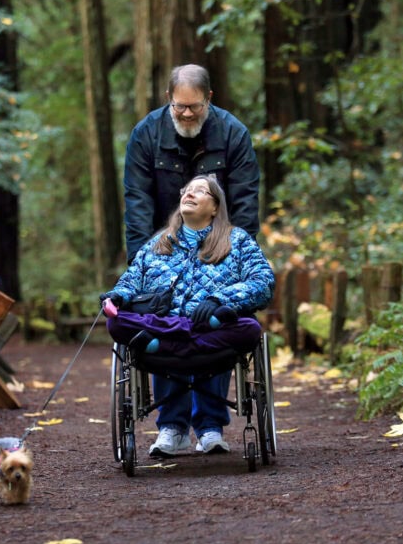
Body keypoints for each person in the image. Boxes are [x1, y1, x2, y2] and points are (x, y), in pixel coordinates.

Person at [101, 175, 275, 457]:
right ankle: (172, 430)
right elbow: (131, 280)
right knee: (117, 320)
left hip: (206, 330)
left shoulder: (237, 240)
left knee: (248, 328)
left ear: (216, 207)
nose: (189, 194)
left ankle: (210, 429)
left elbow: (263, 282)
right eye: (187, 190)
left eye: (200, 191)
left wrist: (219, 300)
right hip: (167, 326)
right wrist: (118, 295)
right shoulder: (159, 243)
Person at [123, 63, 260, 264]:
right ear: (169, 97)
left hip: (218, 251)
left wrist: (238, 261)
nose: (187, 113)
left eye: (195, 106)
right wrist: (140, 264)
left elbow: (245, 204)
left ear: (209, 97)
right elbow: (138, 203)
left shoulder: (233, 134)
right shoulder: (145, 135)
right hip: (163, 250)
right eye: (180, 106)